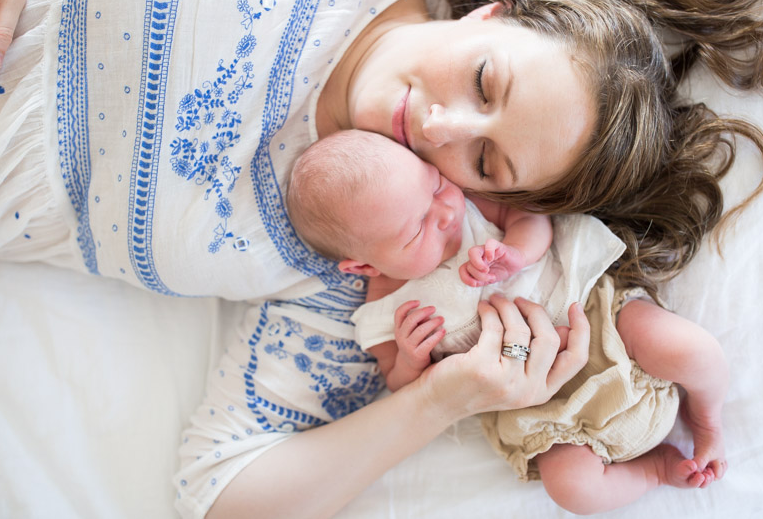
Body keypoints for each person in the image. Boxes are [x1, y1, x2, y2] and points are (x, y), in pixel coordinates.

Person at [0, 0, 763, 516]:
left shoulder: (360, 268)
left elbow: (221, 492)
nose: (441, 129)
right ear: (488, 18)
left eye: (487, 165)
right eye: (484, 81)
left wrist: (443, 396)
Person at [287, 129, 727, 513]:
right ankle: (655, 472)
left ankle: (707, 419)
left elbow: (531, 218)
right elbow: (402, 387)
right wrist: (409, 357)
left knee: (692, 351)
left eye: (436, 184)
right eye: (419, 227)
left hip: (594, 319)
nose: (445, 211)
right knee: (573, 491)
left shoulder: (474, 210)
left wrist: (517, 252)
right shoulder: (383, 316)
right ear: (362, 267)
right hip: (546, 410)